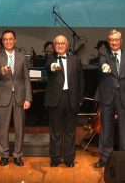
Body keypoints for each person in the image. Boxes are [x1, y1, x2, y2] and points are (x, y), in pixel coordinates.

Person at [93, 29, 125, 168]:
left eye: (116, 40)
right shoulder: (103, 54)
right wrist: (105, 67)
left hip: (124, 96)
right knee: (106, 128)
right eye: (111, 40)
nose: (114, 42)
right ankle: (105, 158)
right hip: (107, 96)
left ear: (121, 41)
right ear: (108, 41)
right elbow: (103, 65)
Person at [0, 29, 32, 167]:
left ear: (15, 40)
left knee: (19, 128)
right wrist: (1, 71)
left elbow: (27, 78)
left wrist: (28, 98)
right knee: (3, 128)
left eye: (11, 39)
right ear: (3, 42)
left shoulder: (22, 57)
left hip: (20, 96)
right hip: (3, 96)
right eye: (5, 39)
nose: (8, 41)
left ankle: (17, 155)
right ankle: (4, 155)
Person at [45, 35, 84, 167]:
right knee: (55, 132)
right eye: (57, 43)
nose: (60, 45)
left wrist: (80, 98)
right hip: (56, 100)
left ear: (67, 46)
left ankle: (69, 158)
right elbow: (49, 66)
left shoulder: (76, 59)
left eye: (63, 43)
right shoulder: (50, 58)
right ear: (54, 46)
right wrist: (53, 66)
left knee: (70, 131)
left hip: (72, 98)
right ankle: (55, 158)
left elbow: (81, 80)